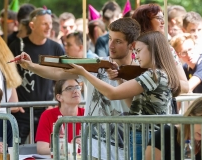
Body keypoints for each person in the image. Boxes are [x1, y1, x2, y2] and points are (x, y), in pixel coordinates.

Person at [14, 17, 141, 160]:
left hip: (125, 148)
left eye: (118, 41)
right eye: (110, 38)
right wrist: (31, 66)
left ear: (132, 45)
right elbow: (58, 73)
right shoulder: (96, 64)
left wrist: (120, 78)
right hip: (92, 148)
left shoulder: (141, 72)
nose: (110, 45)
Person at [65, 31, 181, 160]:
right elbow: (132, 106)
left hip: (147, 135)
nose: (136, 56)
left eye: (139, 51)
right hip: (147, 134)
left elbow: (112, 94)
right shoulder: (158, 74)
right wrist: (119, 79)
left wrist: (84, 73)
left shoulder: (154, 75)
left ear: (153, 50)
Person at [9, 8, 65, 144]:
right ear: (32, 25)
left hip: (46, 109)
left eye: (50, 23)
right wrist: (14, 101)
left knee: (45, 149)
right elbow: (8, 74)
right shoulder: (18, 46)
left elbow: (63, 78)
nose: (49, 27)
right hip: (21, 110)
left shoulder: (56, 48)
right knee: (16, 147)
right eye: (44, 23)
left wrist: (55, 103)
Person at [35, 79, 84, 155]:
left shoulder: (87, 114)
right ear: (59, 97)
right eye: (69, 88)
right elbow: (41, 149)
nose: (75, 91)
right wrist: (68, 147)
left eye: (77, 87)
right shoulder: (47, 115)